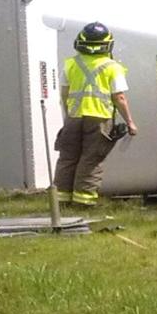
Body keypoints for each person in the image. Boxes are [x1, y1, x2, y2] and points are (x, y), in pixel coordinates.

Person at [54, 22, 135, 206]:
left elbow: (64, 93)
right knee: (91, 160)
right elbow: (119, 97)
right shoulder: (112, 67)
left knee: (67, 158)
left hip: (74, 117)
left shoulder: (71, 64)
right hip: (99, 118)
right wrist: (130, 122)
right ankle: (83, 202)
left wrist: (68, 116)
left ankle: (60, 202)